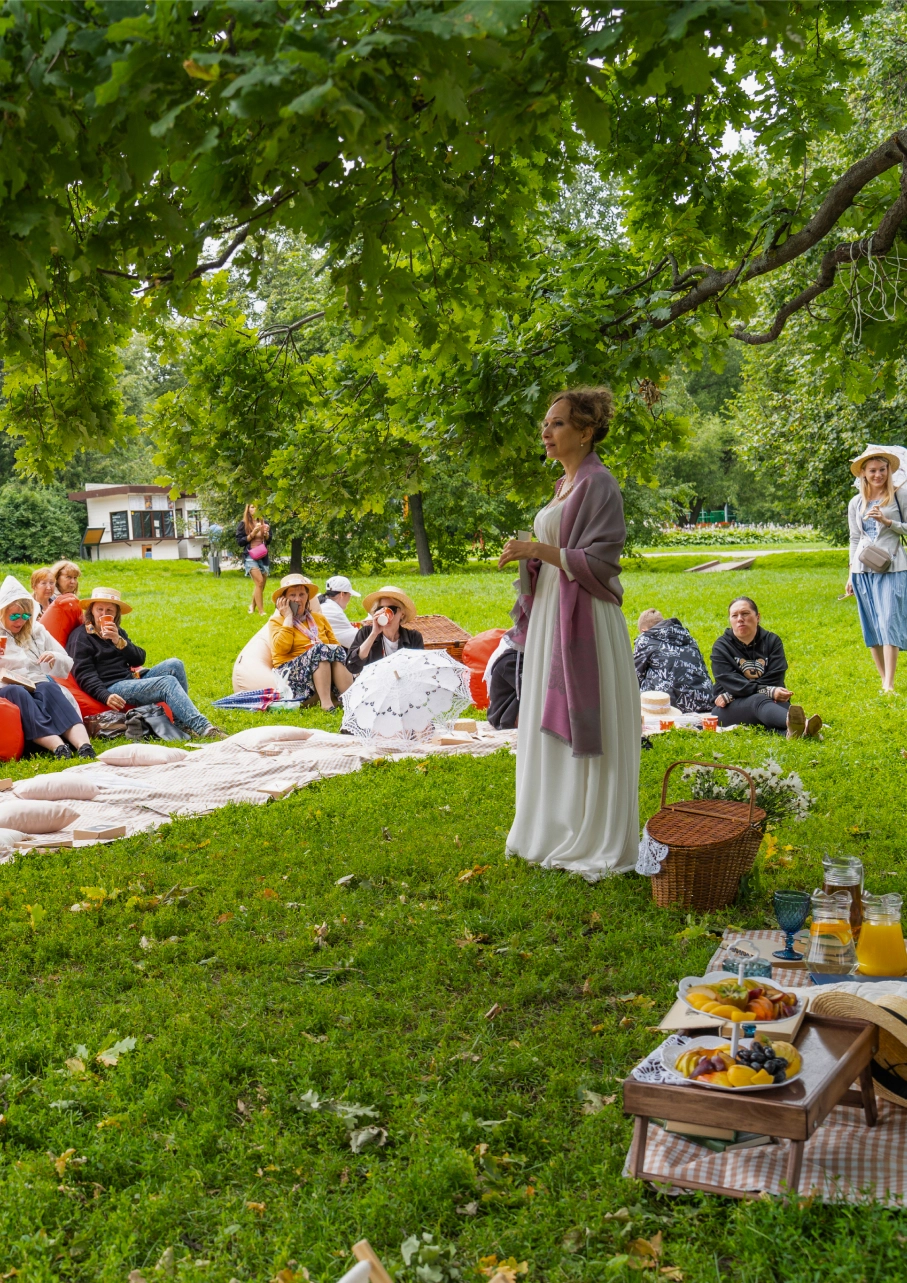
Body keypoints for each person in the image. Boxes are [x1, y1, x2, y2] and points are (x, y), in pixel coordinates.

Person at [497, 386, 640, 880]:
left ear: (586, 431)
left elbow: (601, 562)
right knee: (540, 713)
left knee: (587, 715)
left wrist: (536, 551)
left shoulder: (599, 484)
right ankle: (551, 827)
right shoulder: (565, 485)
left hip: (586, 619)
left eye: (558, 423)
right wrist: (534, 560)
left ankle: (591, 833)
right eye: (546, 423)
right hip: (554, 614)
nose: (547, 431)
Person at [66, 587, 226, 739]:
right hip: (112, 686)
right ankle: (204, 728)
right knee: (167, 683)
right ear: (91, 611)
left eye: (109, 610)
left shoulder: (118, 632)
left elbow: (139, 659)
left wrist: (118, 641)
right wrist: (105, 695)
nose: (103, 614)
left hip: (130, 679)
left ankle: (182, 724)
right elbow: (84, 674)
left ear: (116, 614)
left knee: (175, 664)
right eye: (99, 609)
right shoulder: (81, 637)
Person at [0, 575, 95, 759]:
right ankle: (58, 747)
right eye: (14, 616)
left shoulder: (36, 631)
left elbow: (66, 661)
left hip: (35, 681)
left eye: (25, 616)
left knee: (49, 688)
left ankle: (84, 746)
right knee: (17, 692)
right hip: (5, 685)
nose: (20, 621)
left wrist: (54, 657)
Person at [711, 597, 822, 738]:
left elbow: (775, 677)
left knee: (779, 708)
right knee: (758, 701)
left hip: (757, 700)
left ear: (758, 617)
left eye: (745, 613)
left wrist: (732, 694)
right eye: (734, 615)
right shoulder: (721, 647)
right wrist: (767, 691)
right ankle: (805, 725)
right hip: (727, 708)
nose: (740, 619)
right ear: (730, 620)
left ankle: (795, 733)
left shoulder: (772, 641)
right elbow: (731, 682)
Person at [845, 446, 907, 693]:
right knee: (872, 625)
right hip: (862, 570)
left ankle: (889, 684)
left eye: (883, 470)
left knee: (889, 620)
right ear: (863, 473)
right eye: (873, 471)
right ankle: (884, 681)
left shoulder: (900, 495)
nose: (878, 475)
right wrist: (850, 574)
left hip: (892, 567)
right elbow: (853, 539)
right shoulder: (856, 502)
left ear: (889, 470)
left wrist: (886, 521)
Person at [269, 575, 353, 711]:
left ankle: (350, 700)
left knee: (335, 650)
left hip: (321, 665)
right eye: (292, 595)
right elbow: (281, 649)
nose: (298, 599)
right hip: (291, 671)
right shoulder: (277, 621)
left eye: (302, 594)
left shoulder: (319, 618)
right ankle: (327, 704)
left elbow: (336, 647)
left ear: (307, 597)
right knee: (319, 649)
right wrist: (288, 617)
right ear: (283, 600)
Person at [633, 608, 713, 713]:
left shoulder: (645, 639)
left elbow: (634, 675)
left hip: (672, 706)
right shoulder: (688, 637)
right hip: (704, 701)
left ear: (643, 631)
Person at [345, 587, 424, 673]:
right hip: (375, 682)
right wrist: (374, 634)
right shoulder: (366, 633)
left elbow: (418, 668)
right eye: (380, 609)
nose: (386, 614)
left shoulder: (413, 637)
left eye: (392, 609)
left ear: (402, 614)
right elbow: (352, 667)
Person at [236, 505, 271, 616]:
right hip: (250, 556)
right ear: (248, 509)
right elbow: (240, 542)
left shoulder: (264, 522)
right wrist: (252, 534)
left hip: (263, 555)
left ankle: (252, 606)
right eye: (251, 507)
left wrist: (266, 534)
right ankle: (261, 611)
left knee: (260, 585)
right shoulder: (244, 524)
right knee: (259, 582)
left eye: (256, 507)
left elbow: (269, 541)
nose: (254, 509)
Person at [317, 576, 360, 649]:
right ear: (342, 594)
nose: (349, 599)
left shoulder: (323, 603)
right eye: (350, 595)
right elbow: (355, 641)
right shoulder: (332, 610)